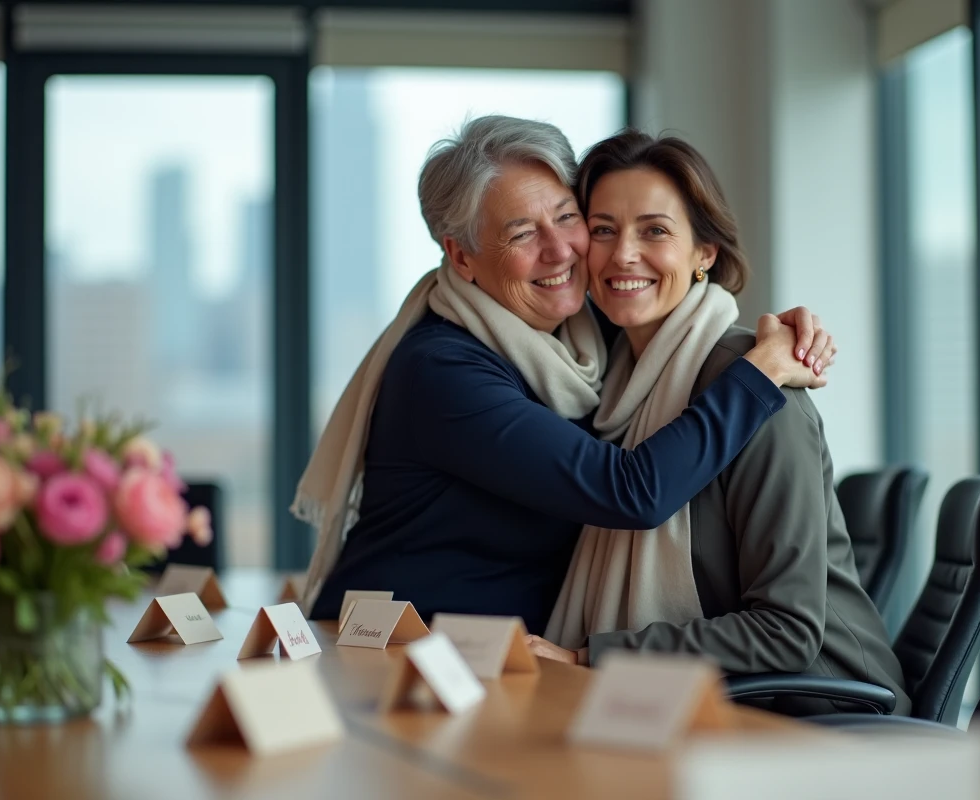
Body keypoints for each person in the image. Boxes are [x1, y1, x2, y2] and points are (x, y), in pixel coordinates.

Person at [297, 116, 835, 636]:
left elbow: (661, 296)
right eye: (522, 233)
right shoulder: (443, 370)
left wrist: (793, 329)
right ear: (462, 257)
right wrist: (760, 372)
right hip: (397, 660)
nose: (560, 251)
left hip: (501, 666)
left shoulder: (585, 338)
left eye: (567, 217)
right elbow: (630, 492)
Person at [529, 131, 909, 716]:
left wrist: (588, 658)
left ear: (705, 253)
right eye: (603, 230)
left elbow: (785, 632)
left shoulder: (756, 386)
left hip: (815, 708)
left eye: (654, 230)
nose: (623, 254)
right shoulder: (614, 386)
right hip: (709, 699)